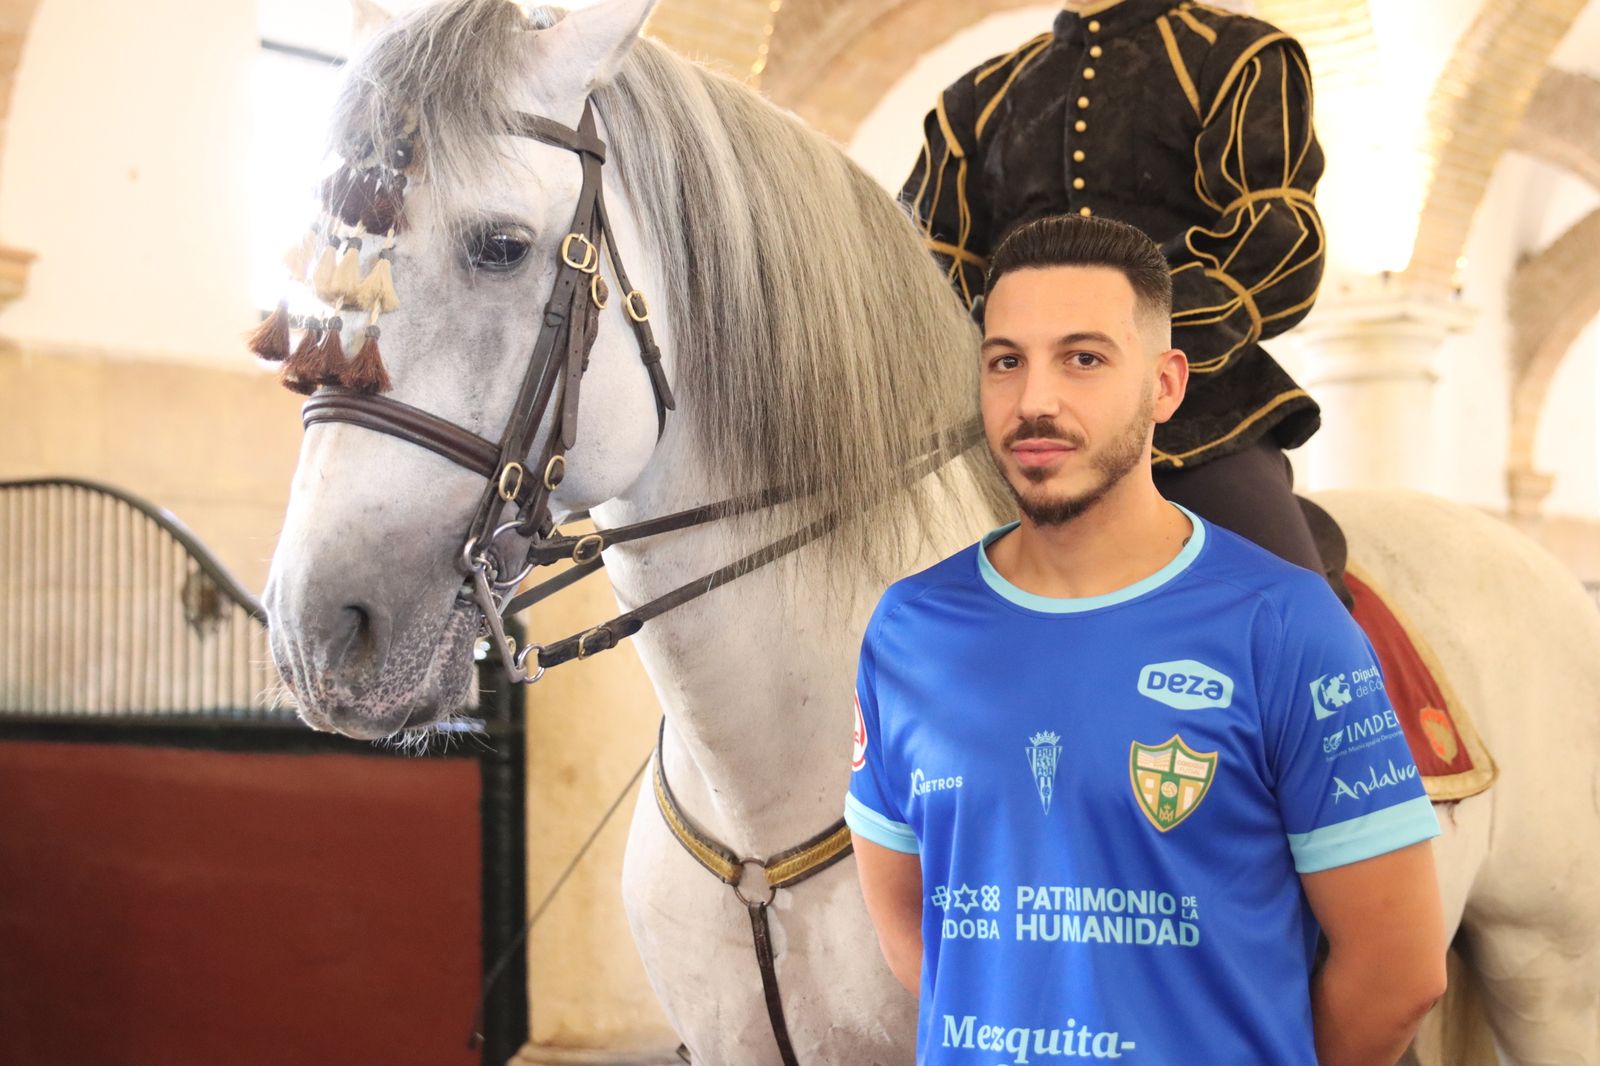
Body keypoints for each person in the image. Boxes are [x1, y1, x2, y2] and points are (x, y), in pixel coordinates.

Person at [846, 216, 1445, 1066]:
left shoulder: (1285, 624)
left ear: (1165, 386)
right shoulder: (907, 629)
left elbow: (1399, 974)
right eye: (1006, 361)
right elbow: (914, 930)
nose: (1035, 402)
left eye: (1083, 359)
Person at [904, 0, 1329, 578]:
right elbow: (928, 282)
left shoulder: (1235, 56)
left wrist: (1126, 358)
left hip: (1198, 417)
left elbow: (1276, 240)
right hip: (1013, 427)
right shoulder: (976, 100)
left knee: (1288, 606)